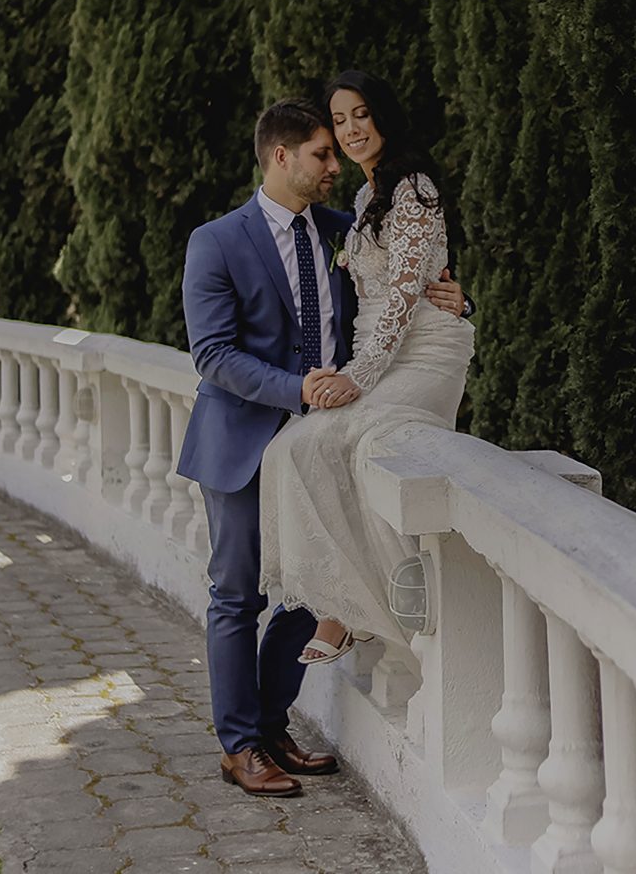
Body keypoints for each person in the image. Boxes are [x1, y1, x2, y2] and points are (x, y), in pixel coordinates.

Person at [177, 96, 468, 798]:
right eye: (322, 153)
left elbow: (400, 286)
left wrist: (459, 301)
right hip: (244, 441)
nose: (336, 163)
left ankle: (271, 728)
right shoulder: (216, 241)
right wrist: (298, 389)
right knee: (237, 595)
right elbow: (212, 353)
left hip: (327, 438)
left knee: (311, 587)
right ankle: (239, 747)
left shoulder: (345, 229)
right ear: (281, 157)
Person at [259, 71, 475, 665]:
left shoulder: (414, 189)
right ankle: (348, 605)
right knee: (293, 448)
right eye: (340, 120)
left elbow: (405, 295)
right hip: (382, 351)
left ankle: (350, 613)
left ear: (381, 115)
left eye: (361, 114)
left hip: (422, 353)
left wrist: (358, 376)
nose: (351, 129)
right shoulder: (362, 201)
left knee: (334, 441)